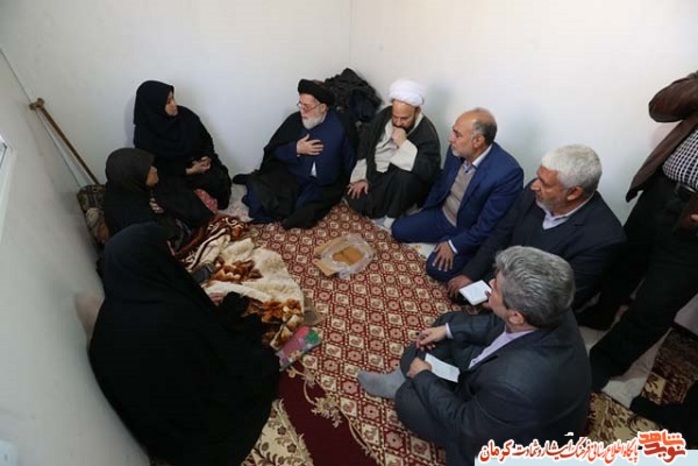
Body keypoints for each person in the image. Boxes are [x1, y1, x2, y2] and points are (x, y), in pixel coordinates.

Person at [358, 246, 591, 466]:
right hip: (498, 377)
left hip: (494, 441)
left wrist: (424, 378)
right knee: (448, 324)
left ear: (516, 315)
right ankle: (413, 373)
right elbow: (497, 325)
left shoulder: (512, 384)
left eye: (496, 287)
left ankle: (408, 380)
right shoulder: (552, 306)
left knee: (407, 400)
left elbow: (463, 424)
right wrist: (446, 331)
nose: (489, 284)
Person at [89, 222, 279, 466]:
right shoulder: (171, 314)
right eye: (164, 250)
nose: (172, 254)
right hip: (201, 437)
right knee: (258, 363)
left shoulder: (107, 321)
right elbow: (217, 356)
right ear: (152, 258)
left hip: (160, 436)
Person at [579, 71, 698, 391]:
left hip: (695, 221)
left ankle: (607, 360)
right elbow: (660, 107)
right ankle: (601, 314)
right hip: (662, 191)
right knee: (623, 263)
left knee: (657, 302)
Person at [447, 144, 626, 310]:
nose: (534, 186)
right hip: (502, 275)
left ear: (573, 192)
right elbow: (501, 233)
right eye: (538, 177)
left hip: (532, 305)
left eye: (545, 184)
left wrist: (504, 305)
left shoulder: (603, 238)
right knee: (455, 290)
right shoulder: (534, 192)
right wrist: (471, 274)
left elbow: (563, 299)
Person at [390, 108, 523, 282]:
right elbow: (441, 184)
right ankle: (441, 238)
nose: (450, 138)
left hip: (466, 230)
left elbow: (487, 226)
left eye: (457, 134)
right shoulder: (456, 150)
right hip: (442, 215)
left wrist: (454, 245)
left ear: (477, 141)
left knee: (435, 269)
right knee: (398, 230)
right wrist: (425, 210)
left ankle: (452, 245)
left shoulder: (507, 173)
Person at [237, 79, 357, 229]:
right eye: (300, 104)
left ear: (322, 107)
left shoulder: (342, 125)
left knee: (303, 211)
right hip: (293, 176)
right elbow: (274, 152)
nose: (302, 111)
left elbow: (350, 159)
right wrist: (295, 149)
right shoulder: (294, 121)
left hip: (322, 183)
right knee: (262, 197)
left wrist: (355, 179)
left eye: (307, 106)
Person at [134, 80, 232, 226]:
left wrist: (206, 157)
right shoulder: (144, 135)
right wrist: (188, 171)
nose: (174, 104)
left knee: (220, 181)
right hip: (172, 175)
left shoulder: (185, 116)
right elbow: (154, 167)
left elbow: (206, 139)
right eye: (168, 102)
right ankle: (204, 221)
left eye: (173, 98)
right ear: (154, 107)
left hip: (196, 164)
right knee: (180, 202)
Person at [345, 79, 441, 220]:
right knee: (354, 194)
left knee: (403, 182)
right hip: (374, 172)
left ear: (417, 112)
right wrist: (363, 178)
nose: (398, 122)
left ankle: (392, 213)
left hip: (396, 180)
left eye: (404, 118)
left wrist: (404, 145)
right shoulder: (385, 114)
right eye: (395, 117)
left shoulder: (427, 134)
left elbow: (429, 173)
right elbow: (366, 142)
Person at [103, 148, 188, 246]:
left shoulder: (122, 184)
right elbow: (161, 238)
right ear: (135, 175)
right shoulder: (135, 215)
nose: (154, 169)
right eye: (147, 170)